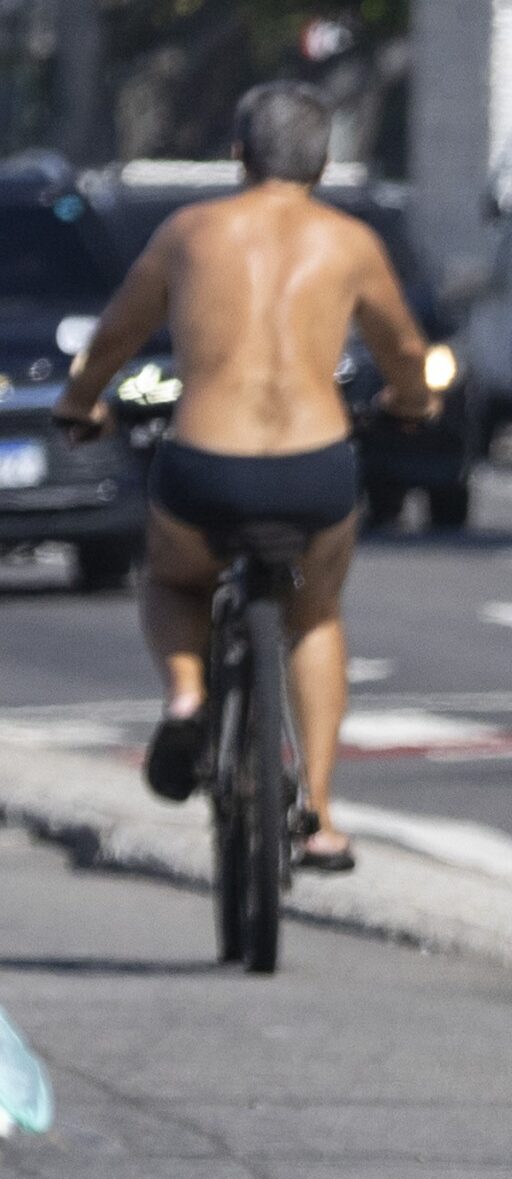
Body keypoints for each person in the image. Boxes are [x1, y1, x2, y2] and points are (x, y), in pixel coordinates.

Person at [53, 82, 438, 871]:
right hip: (313, 469)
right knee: (318, 613)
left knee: (171, 580)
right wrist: (411, 403)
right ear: (324, 162)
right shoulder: (350, 242)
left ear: (237, 154)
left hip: (206, 465)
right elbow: (403, 349)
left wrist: (80, 406)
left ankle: (188, 695)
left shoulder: (187, 232)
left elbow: (114, 337)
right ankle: (322, 816)